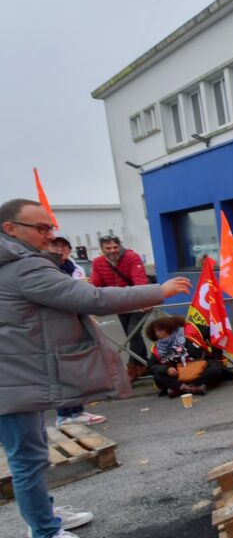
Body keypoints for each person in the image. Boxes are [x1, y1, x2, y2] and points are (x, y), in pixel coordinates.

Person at [0, 198, 192, 538]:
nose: (49, 234)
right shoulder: (22, 265)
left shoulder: (16, 261)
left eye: (50, 227)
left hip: (17, 372)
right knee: (28, 459)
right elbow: (92, 299)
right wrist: (158, 290)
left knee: (31, 452)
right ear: (10, 229)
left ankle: (45, 514)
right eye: (41, 228)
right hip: (13, 376)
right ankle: (45, 530)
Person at [49, 233, 106, 428]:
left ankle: (77, 411)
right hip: (55, 328)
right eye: (55, 247)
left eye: (63, 247)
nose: (59, 250)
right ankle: (63, 415)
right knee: (60, 373)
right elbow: (61, 295)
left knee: (76, 371)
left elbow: (84, 295)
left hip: (76, 324)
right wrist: (76, 287)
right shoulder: (46, 270)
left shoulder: (75, 268)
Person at [90, 234, 150, 381]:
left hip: (139, 302)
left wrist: (142, 300)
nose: (112, 250)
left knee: (133, 334)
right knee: (132, 335)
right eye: (108, 248)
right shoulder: (98, 262)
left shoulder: (131, 257)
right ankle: (143, 364)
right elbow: (96, 284)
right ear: (102, 249)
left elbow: (140, 281)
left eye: (115, 247)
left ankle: (131, 368)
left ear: (120, 246)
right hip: (119, 305)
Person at [145, 316, 233, 397]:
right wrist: (166, 369)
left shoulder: (190, 329)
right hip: (178, 373)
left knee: (216, 369)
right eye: (155, 332)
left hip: (201, 366)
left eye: (160, 330)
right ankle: (193, 388)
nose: (158, 334)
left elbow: (214, 334)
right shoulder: (157, 348)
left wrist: (216, 357)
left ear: (169, 327)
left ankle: (180, 389)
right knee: (158, 378)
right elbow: (151, 366)